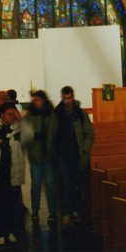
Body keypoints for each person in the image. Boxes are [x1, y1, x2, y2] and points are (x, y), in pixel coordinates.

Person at [0, 101, 33, 246]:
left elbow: (30, 137)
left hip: (13, 173)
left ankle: (9, 231)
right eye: (9, 114)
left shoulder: (19, 129)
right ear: (2, 115)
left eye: (13, 114)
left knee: (11, 205)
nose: (11, 117)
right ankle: (0, 233)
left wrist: (20, 118)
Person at [53, 86, 94, 226]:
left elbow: (89, 133)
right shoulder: (57, 113)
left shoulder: (81, 114)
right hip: (62, 154)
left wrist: (84, 150)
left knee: (76, 184)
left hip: (76, 154)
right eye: (64, 98)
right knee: (65, 184)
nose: (66, 101)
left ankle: (75, 210)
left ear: (73, 97)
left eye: (69, 98)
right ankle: (66, 213)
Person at [26, 90, 57, 223]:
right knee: (36, 185)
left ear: (43, 100)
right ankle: (35, 211)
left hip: (48, 155)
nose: (36, 102)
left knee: (50, 185)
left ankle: (53, 211)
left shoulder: (51, 114)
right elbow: (26, 135)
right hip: (35, 156)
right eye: (34, 100)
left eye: (38, 100)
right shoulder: (29, 115)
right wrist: (34, 137)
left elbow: (54, 131)